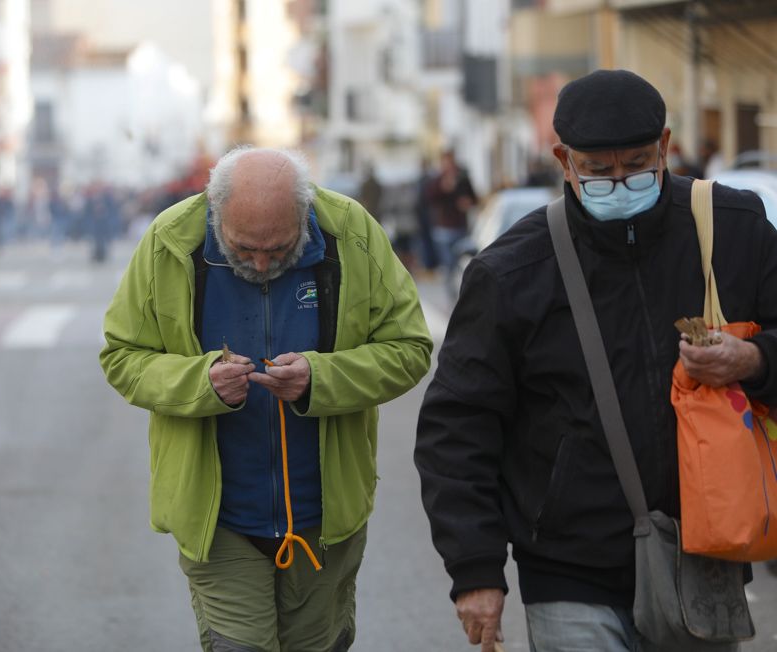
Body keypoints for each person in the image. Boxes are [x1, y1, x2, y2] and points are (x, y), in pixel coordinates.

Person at [414, 68, 777, 652]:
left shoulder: (733, 229)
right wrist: (475, 569)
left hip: (706, 554)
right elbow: (457, 424)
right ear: (564, 160)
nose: (621, 182)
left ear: (664, 146)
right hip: (567, 569)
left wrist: (755, 359)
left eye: (636, 163)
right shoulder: (513, 271)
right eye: (598, 171)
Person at [100, 146, 432, 651]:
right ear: (215, 210)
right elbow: (122, 356)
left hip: (324, 520)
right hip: (219, 521)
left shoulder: (353, 234)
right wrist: (201, 382)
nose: (259, 263)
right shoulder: (170, 241)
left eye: (278, 250)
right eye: (243, 247)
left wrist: (320, 380)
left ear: (306, 212)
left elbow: (409, 349)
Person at [423, 149, 477, 286]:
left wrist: (467, 202)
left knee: (461, 263)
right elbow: (428, 199)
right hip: (443, 228)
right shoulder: (437, 180)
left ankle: (460, 290)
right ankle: (450, 294)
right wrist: (443, 188)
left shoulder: (463, 178)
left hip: (460, 226)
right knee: (448, 266)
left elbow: (473, 198)